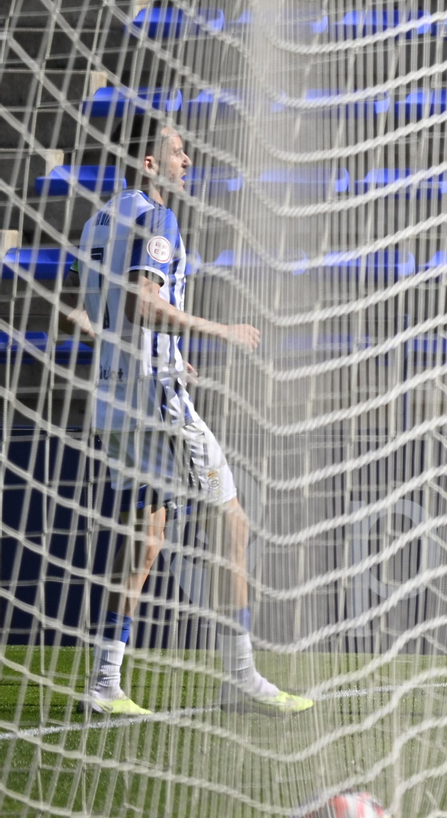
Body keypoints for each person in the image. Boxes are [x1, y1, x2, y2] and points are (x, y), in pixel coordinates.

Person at [79, 115, 312, 716]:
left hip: (113, 397)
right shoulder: (158, 218)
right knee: (231, 524)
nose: (187, 162)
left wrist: (167, 355)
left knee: (146, 538)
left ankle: (105, 681)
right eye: (177, 152)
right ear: (148, 163)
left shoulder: (97, 222)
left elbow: (88, 313)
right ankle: (241, 677)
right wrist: (219, 330)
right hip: (157, 400)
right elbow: (142, 303)